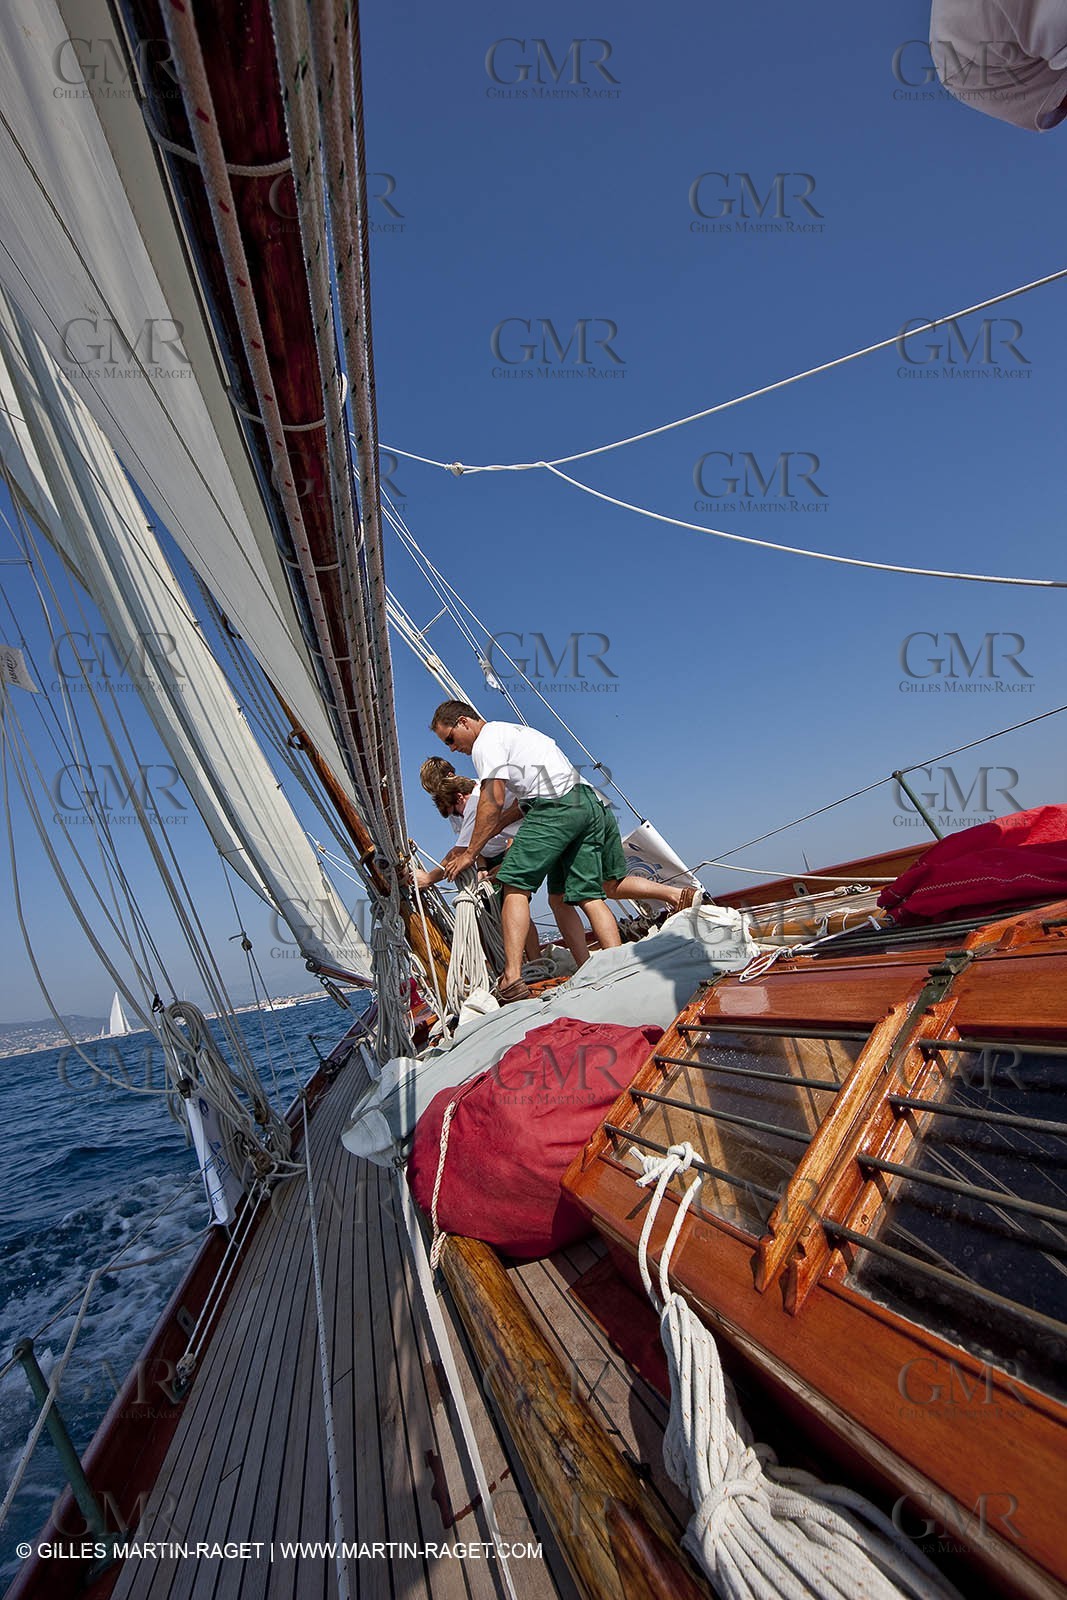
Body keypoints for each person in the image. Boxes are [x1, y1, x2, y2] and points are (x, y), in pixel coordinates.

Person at [430, 701, 699, 1001]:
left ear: (464, 722)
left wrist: (470, 855)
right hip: (586, 802)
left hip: (554, 807)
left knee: (514, 885)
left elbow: (493, 801)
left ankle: (513, 978)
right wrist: (495, 829)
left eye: (450, 739)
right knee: (580, 894)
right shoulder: (515, 733)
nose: (452, 748)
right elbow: (518, 804)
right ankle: (617, 964)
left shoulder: (485, 743)